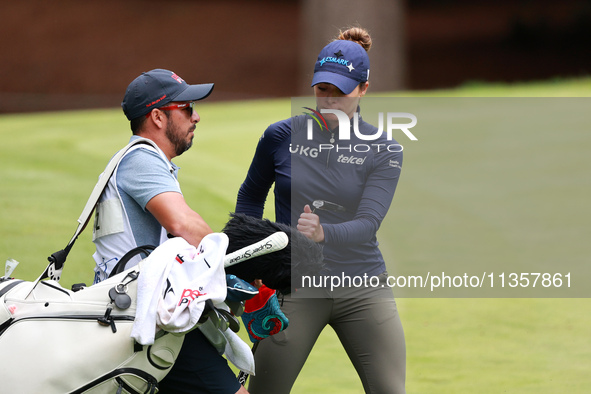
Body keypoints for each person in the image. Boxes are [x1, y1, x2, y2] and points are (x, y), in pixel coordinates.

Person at [235, 27, 406, 393]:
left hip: (361, 287)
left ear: (363, 89)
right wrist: (252, 266)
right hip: (294, 288)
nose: (328, 100)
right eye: (322, 89)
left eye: (340, 92)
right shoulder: (279, 136)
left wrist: (322, 232)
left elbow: (368, 223)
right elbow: (250, 197)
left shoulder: (384, 150)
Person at [92, 68, 249, 394]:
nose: (197, 117)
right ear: (158, 117)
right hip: (147, 317)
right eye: (187, 108)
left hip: (137, 311)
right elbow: (183, 224)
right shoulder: (142, 159)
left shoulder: (138, 160)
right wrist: (238, 267)